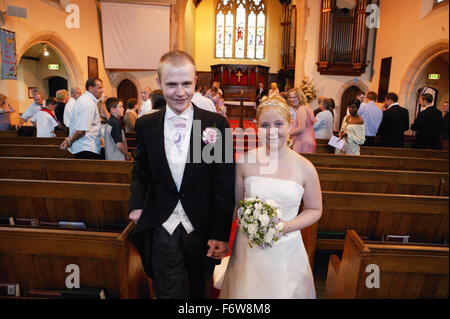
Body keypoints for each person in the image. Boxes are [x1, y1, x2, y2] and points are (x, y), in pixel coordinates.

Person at [128, 50, 235, 299]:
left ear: (196, 81)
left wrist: (220, 233)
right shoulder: (146, 125)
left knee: (199, 290)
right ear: (159, 83)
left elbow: (223, 183)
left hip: (201, 226)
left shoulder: (213, 124)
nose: (180, 92)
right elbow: (140, 169)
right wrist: (136, 204)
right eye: (171, 84)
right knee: (167, 290)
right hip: (161, 223)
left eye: (186, 83)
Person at [219, 96, 322, 299]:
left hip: (286, 249)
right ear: (257, 127)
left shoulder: (305, 167)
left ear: (290, 125)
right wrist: (220, 238)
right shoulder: (244, 162)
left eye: (278, 124)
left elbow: (315, 209)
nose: (272, 131)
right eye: (265, 125)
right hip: (248, 250)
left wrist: (286, 226)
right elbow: (235, 206)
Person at [59, 78, 103, 159]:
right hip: (86, 147)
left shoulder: (84, 99)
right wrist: (70, 141)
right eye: (99, 88)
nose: (102, 91)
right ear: (90, 88)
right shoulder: (88, 103)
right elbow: (81, 130)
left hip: (84, 146)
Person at [289, 88, 317, 153]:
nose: (292, 100)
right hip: (308, 140)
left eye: (294, 97)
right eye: (291, 97)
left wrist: (287, 134)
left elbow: (301, 128)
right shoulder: (307, 107)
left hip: (302, 141)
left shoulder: (301, 109)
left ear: (300, 97)